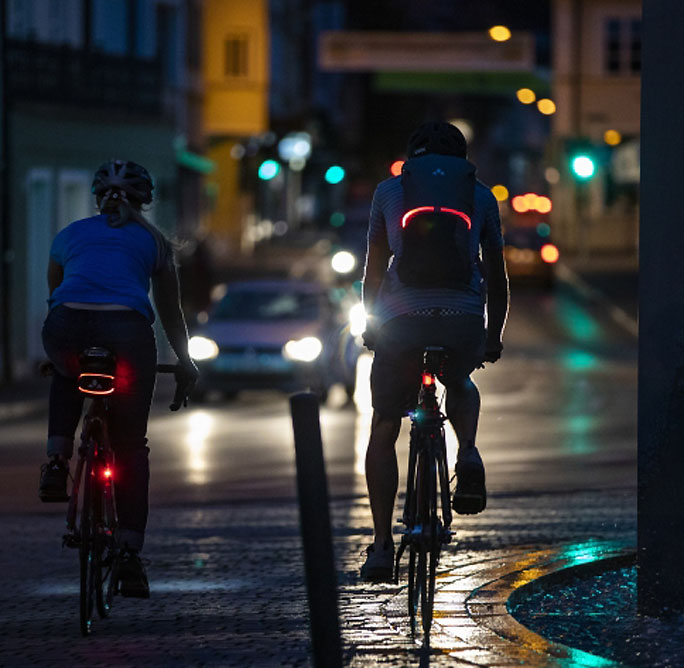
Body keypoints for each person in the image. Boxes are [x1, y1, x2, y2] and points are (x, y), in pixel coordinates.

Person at [38, 160, 199, 598]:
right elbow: (170, 313)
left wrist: (57, 354)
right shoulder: (154, 241)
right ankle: (129, 554)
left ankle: (55, 463)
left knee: (68, 372)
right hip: (127, 334)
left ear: (96, 198)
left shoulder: (69, 234)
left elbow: (58, 297)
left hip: (66, 326)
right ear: (144, 201)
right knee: (130, 446)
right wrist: (184, 363)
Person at [359, 121, 509, 582]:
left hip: (401, 324)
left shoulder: (388, 192)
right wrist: (491, 337)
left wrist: (372, 328)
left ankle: (383, 547)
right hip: (463, 320)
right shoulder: (481, 196)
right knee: (460, 379)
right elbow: (498, 277)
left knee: (385, 424)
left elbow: (374, 271)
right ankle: (467, 452)